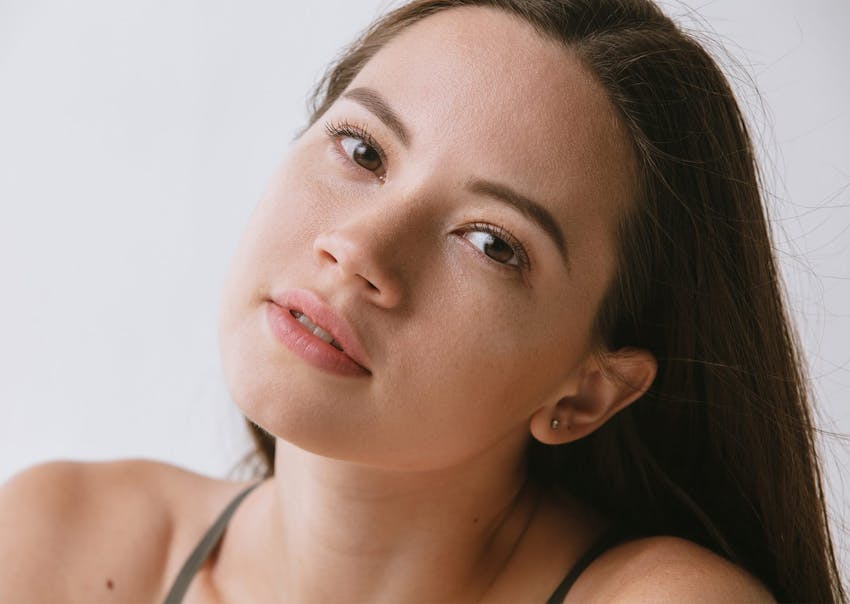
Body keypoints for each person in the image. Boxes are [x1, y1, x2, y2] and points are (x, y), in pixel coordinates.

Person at [0, 0, 844, 601]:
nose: (361, 248)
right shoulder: (59, 542)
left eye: (492, 243)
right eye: (362, 149)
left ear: (585, 392)